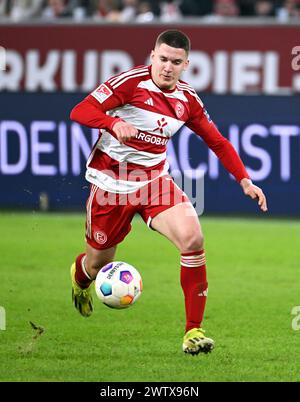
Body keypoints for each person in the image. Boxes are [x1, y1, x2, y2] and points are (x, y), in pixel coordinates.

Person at [70, 29, 268, 355]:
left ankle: (193, 331)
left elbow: (217, 141)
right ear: (152, 57)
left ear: (186, 64)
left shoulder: (187, 100)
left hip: (154, 182)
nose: (167, 67)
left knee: (193, 239)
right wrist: (111, 123)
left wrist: (245, 180)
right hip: (111, 186)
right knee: (96, 263)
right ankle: (80, 280)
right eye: (162, 59)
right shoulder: (130, 84)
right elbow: (79, 110)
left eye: (175, 62)